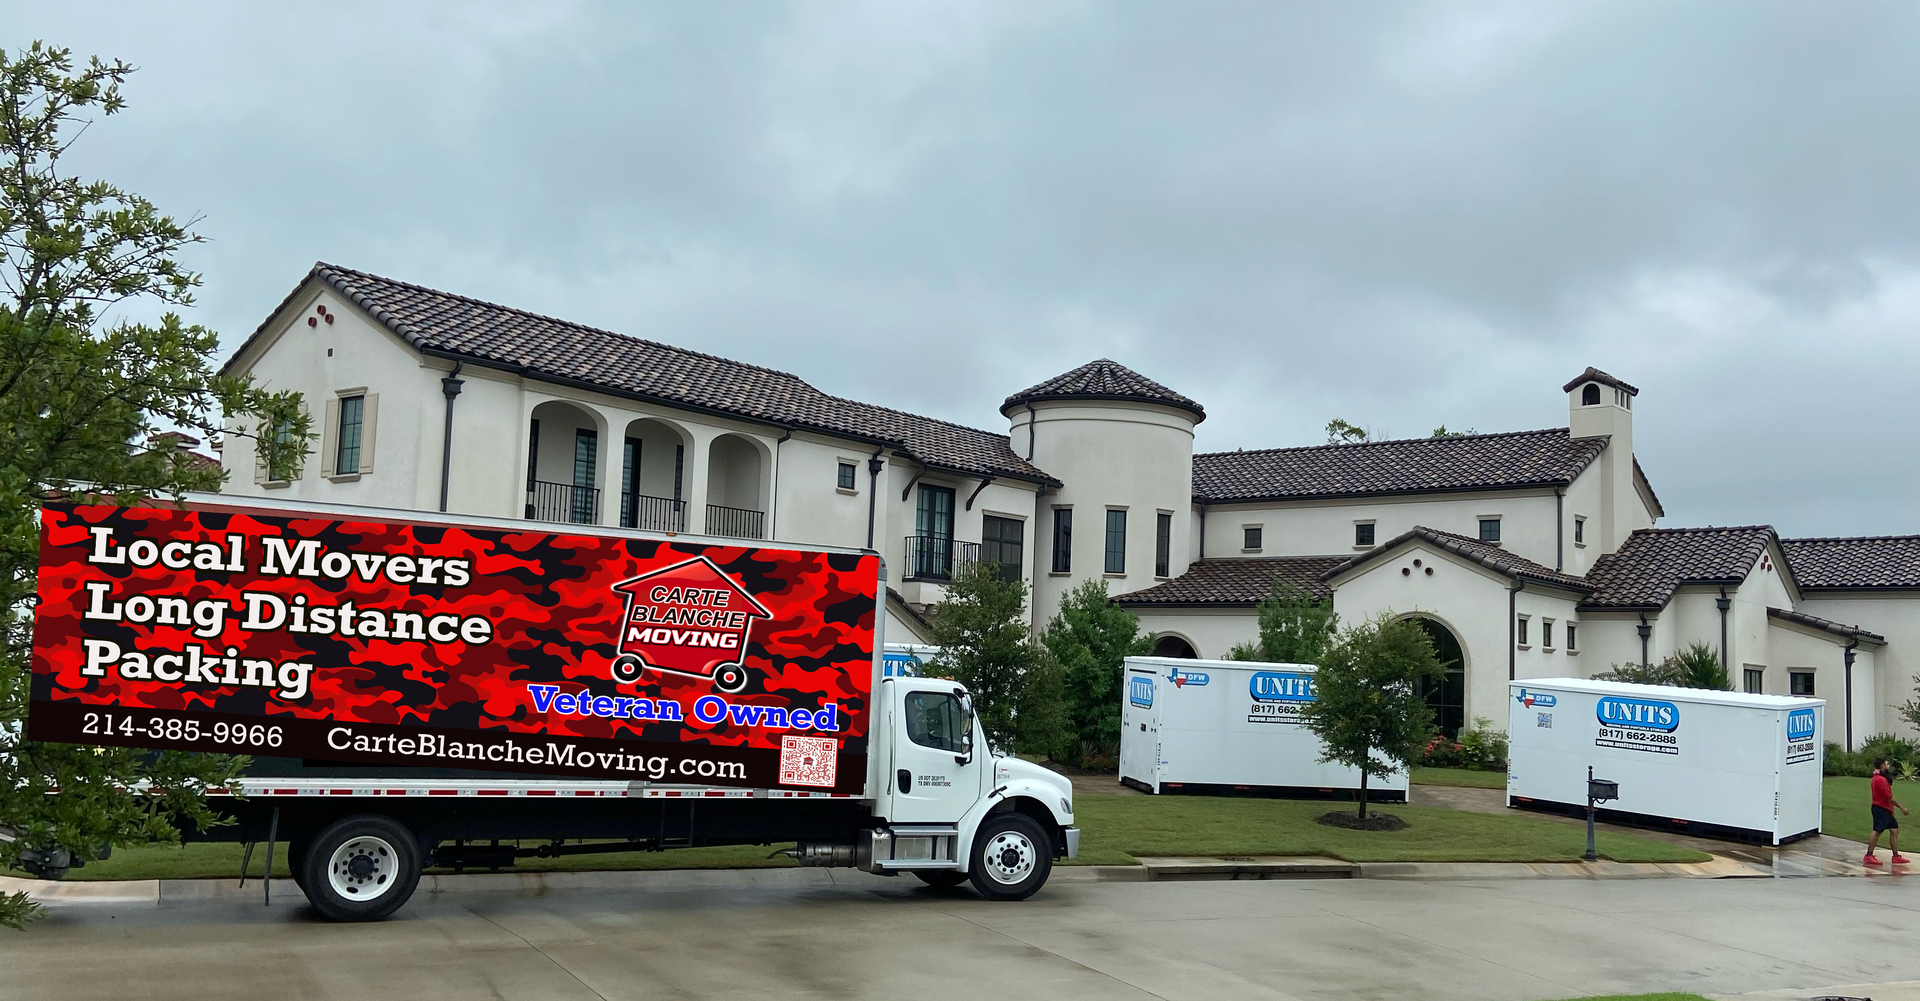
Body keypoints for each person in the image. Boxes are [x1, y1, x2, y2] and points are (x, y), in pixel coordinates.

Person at [1865, 757, 1910, 867]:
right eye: (1887, 764)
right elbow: (1888, 797)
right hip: (1881, 808)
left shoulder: (1878, 778)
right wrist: (1902, 807)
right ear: (1882, 766)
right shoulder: (1880, 780)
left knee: (1894, 830)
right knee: (1877, 831)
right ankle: (1868, 855)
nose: (1888, 765)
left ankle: (1895, 856)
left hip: (1885, 809)